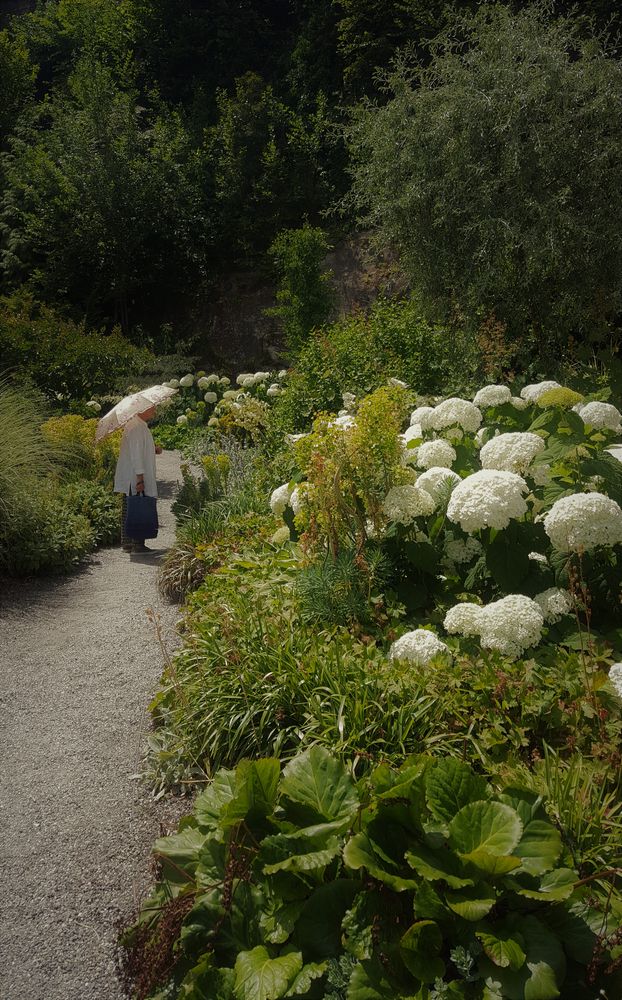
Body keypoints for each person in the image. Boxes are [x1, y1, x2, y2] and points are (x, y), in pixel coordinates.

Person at [114, 405, 162, 553]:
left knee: (130, 507)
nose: (154, 411)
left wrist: (152, 449)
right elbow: (136, 456)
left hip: (132, 475)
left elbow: (138, 448)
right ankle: (138, 544)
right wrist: (140, 479)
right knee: (138, 506)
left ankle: (128, 543)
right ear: (142, 409)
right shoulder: (136, 427)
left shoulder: (137, 425)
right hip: (134, 476)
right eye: (152, 408)